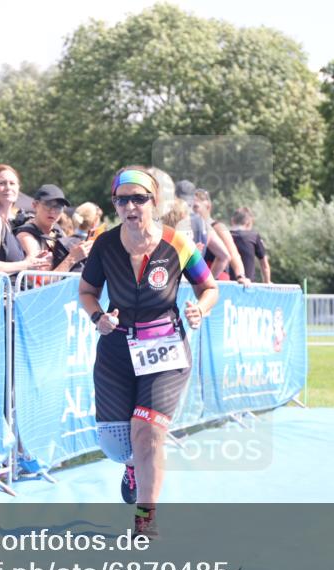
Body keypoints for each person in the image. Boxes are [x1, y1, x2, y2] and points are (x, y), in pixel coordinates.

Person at [79, 166, 218, 537]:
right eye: (122, 200)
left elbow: (210, 287)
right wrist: (98, 318)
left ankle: (145, 519)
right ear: (115, 205)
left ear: (153, 202)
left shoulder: (177, 243)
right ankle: (132, 465)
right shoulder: (105, 245)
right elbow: (86, 292)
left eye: (138, 199)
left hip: (165, 348)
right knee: (115, 443)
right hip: (116, 349)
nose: (130, 206)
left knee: (147, 432)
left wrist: (199, 310)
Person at [17, 184, 91, 273]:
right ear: (35, 205)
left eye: (58, 207)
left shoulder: (57, 232)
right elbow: (41, 280)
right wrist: (72, 258)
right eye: (48, 204)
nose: (53, 211)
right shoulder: (26, 236)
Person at [175, 180, 231, 280]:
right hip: (194, 289)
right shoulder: (204, 224)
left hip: (171, 286)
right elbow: (224, 256)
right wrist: (206, 281)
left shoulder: (168, 221)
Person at [195, 189, 250, 284]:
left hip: (218, 281)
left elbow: (233, 254)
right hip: (197, 280)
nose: (192, 210)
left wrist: (240, 275)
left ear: (208, 206)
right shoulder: (191, 228)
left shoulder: (218, 227)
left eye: (195, 206)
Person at [229, 207, 271, 283]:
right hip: (248, 285)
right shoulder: (253, 236)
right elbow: (264, 265)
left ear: (232, 221)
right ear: (248, 223)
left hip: (227, 284)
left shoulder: (225, 236)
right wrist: (267, 282)